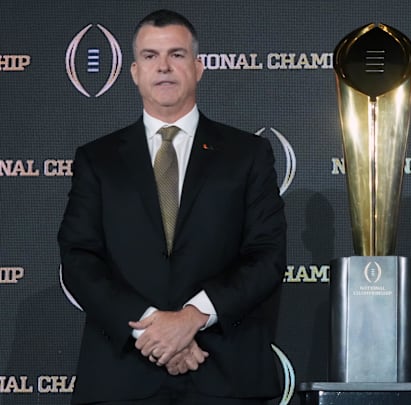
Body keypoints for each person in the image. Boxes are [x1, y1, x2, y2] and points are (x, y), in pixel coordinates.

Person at [58, 9, 287, 405]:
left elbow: (266, 255)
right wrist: (153, 329)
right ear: (133, 71)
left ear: (198, 68)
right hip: (122, 378)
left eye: (177, 55)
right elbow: (79, 259)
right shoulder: (97, 160)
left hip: (224, 373)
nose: (163, 67)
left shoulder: (247, 155)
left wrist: (192, 317)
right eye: (150, 56)